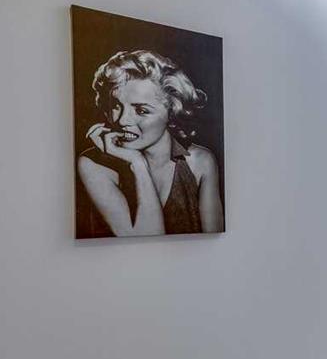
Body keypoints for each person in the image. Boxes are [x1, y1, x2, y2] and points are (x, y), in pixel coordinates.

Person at [77, 50, 223, 236]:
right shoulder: (93, 165)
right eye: (116, 106)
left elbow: (214, 241)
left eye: (141, 110)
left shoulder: (201, 162)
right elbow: (145, 239)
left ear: (172, 112)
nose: (122, 120)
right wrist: (138, 165)